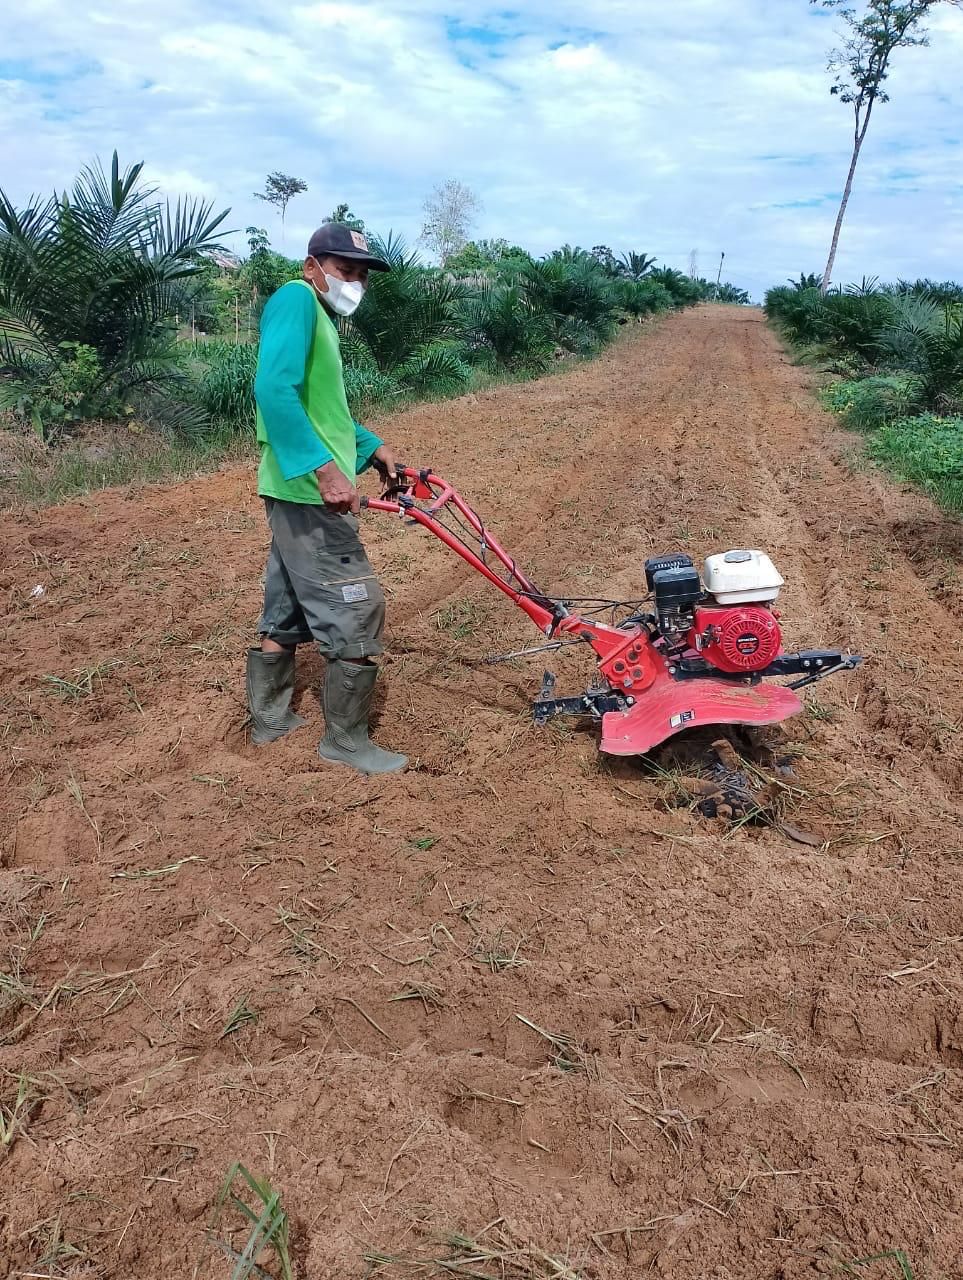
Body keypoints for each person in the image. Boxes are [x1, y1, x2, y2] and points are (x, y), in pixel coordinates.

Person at [246, 222, 407, 774]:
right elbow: (272, 389)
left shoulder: (320, 319)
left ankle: (270, 720)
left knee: (287, 606)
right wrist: (323, 472)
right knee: (357, 604)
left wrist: (374, 450)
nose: (354, 282)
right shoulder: (296, 299)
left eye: (361, 274)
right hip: (308, 493)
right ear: (312, 265)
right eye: (345, 271)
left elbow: (325, 413)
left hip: (294, 490)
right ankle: (345, 741)